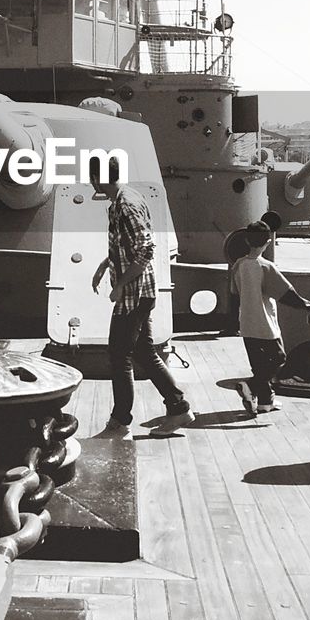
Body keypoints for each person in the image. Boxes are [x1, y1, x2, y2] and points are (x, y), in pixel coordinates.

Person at [90, 157, 195, 439]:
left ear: (98, 178)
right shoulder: (122, 200)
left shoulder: (126, 204)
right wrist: (105, 265)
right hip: (139, 292)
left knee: (119, 354)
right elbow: (128, 244)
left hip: (135, 294)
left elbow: (146, 248)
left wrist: (120, 285)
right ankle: (178, 408)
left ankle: (120, 422)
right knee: (144, 352)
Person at [232, 220, 310, 416]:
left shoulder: (238, 265)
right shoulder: (266, 267)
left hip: (247, 324)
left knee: (258, 364)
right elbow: (287, 295)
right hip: (265, 325)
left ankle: (265, 402)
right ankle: (250, 386)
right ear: (268, 241)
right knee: (279, 359)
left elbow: (234, 293)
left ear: (247, 241)